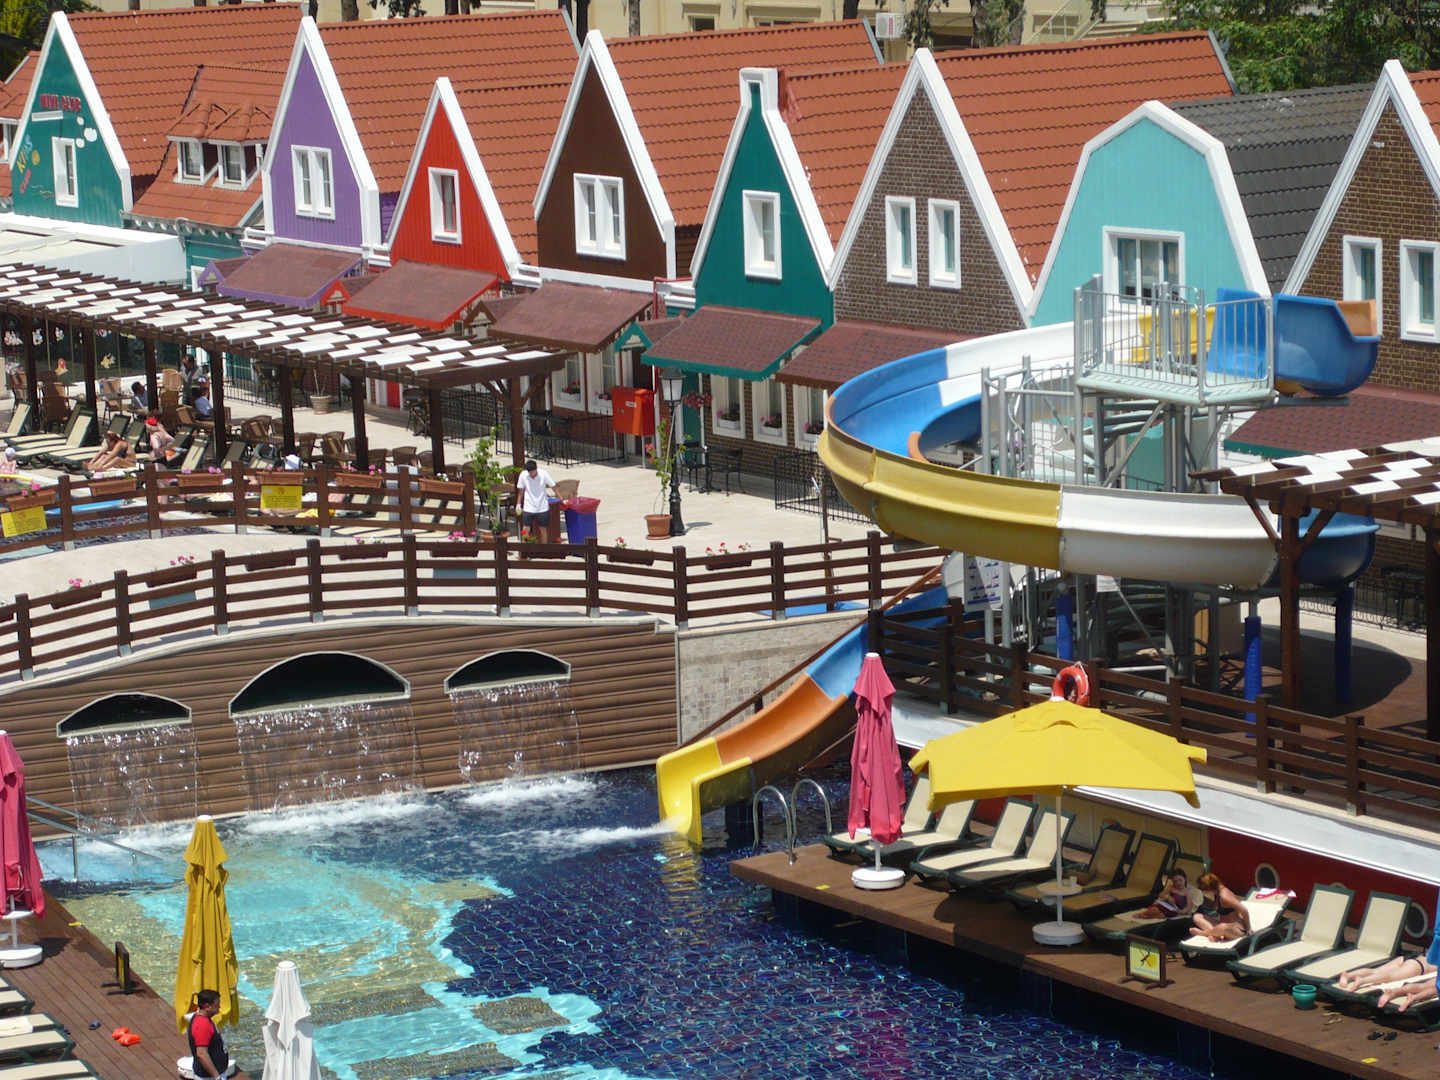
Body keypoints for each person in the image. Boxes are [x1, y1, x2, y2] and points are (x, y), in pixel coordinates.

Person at [186, 989, 230, 1079]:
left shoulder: (202, 1018)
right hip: (209, 1077)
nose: (219, 1007)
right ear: (207, 1006)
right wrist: (217, 1077)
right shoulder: (202, 1025)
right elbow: (202, 1054)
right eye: (217, 1004)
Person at [1192, 872, 1249, 941]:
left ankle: (1203, 933)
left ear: (1208, 887)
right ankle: (1215, 934)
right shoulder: (1217, 893)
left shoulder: (1224, 896)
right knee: (1197, 916)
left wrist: (1248, 929)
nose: (1203, 892)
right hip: (1222, 926)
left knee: (1223, 927)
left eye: (1203, 890)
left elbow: (1244, 910)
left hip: (1235, 929)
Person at [514, 458, 556, 542]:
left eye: (533, 472)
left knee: (543, 530)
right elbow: (521, 491)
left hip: (542, 507)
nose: (531, 474)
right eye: (529, 473)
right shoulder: (523, 475)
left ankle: (544, 548)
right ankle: (524, 548)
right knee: (525, 529)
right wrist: (518, 504)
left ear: (536, 469)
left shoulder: (543, 474)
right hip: (528, 506)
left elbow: (553, 486)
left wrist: (561, 498)